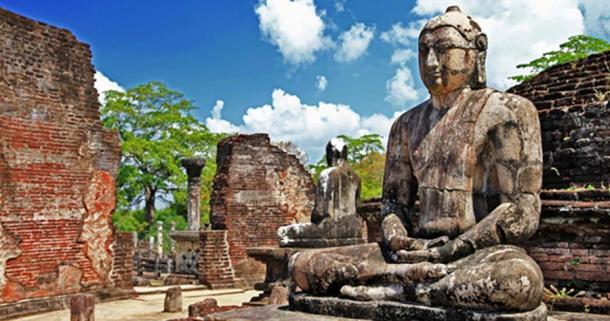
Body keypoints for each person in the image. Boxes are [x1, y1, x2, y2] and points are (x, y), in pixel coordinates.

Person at [289, 6, 544, 312]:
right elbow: (394, 205)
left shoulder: (507, 111)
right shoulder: (405, 124)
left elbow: (520, 212)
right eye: (424, 51)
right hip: (411, 253)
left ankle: (395, 289)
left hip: (474, 253)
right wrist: (397, 237)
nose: (431, 62)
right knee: (302, 265)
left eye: (444, 50)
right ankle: (413, 284)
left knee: (515, 281)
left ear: (477, 50)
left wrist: (450, 250)